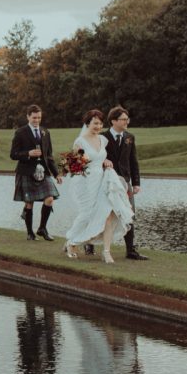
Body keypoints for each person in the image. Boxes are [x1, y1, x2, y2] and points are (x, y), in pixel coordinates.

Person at [62, 110, 135, 263]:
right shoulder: (80, 141)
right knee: (87, 214)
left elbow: (102, 156)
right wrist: (82, 164)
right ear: (87, 123)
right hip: (86, 183)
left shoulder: (103, 140)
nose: (98, 126)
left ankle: (106, 252)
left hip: (102, 181)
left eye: (100, 123)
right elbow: (73, 166)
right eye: (95, 123)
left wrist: (105, 161)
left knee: (108, 213)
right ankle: (71, 242)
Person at [10, 105, 61, 241]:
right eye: (34, 117)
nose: (37, 120)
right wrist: (28, 153)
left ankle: (42, 228)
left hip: (43, 172)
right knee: (29, 203)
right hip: (26, 171)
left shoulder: (45, 132)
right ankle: (29, 233)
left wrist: (56, 174)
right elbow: (13, 154)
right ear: (28, 117)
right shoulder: (20, 132)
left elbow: (49, 156)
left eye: (39, 117)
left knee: (50, 198)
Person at [104, 106, 147, 260]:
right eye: (123, 119)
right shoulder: (103, 137)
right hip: (108, 182)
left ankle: (130, 250)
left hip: (126, 182)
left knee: (129, 214)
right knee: (104, 215)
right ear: (113, 121)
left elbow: (133, 161)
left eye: (127, 119)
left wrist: (136, 183)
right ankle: (90, 244)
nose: (126, 121)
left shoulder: (130, 137)